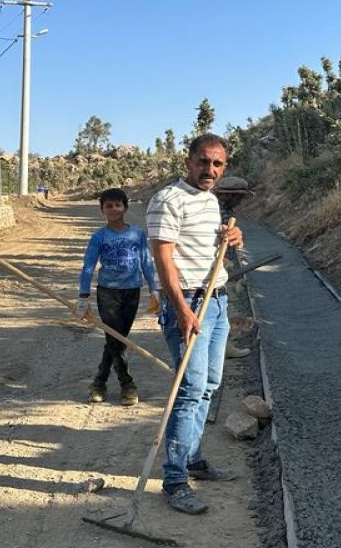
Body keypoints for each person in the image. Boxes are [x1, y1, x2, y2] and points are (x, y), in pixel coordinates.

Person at [147, 133, 244, 515]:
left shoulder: (209, 200)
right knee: (189, 390)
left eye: (218, 164)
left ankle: (193, 458)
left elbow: (210, 246)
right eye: (204, 161)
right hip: (187, 303)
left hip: (217, 302)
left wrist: (231, 236)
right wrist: (181, 310)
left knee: (209, 386)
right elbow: (163, 259)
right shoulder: (167, 200)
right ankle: (174, 481)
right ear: (188, 161)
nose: (211, 170)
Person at [76, 187, 160, 406]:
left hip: (131, 293)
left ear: (125, 207)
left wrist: (154, 289)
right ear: (102, 210)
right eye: (108, 205)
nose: (113, 209)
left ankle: (99, 382)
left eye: (117, 205)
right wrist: (83, 297)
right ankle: (127, 385)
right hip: (107, 293)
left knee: (116, 338)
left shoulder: (137, 235)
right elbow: (88, 266)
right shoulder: (99, 237)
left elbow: (146, 263)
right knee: (116, 339)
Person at [211, 176, 255, 359]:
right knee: (217, 309)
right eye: (238, 196)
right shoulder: (216, 211)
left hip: (222, 266)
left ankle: (222, 346)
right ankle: (222, 348)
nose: (240, 200)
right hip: (214, 267)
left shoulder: (226, 210)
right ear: (227, 195)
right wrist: (222, 263)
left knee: (221, 307)